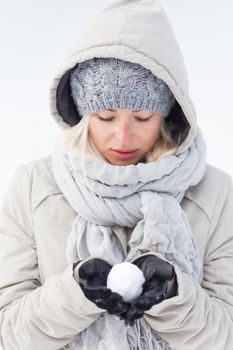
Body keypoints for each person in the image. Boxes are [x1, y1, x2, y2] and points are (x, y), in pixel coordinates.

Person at [0, 0, 233, 349]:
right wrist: (76, 292)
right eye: (105, 117)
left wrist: (172, 293)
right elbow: (10, 334)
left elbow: (226, 336)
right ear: (81, 114)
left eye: (142, 118)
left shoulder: (214, 193)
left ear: (169, 116)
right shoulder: (33, 187)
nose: (122, 137)